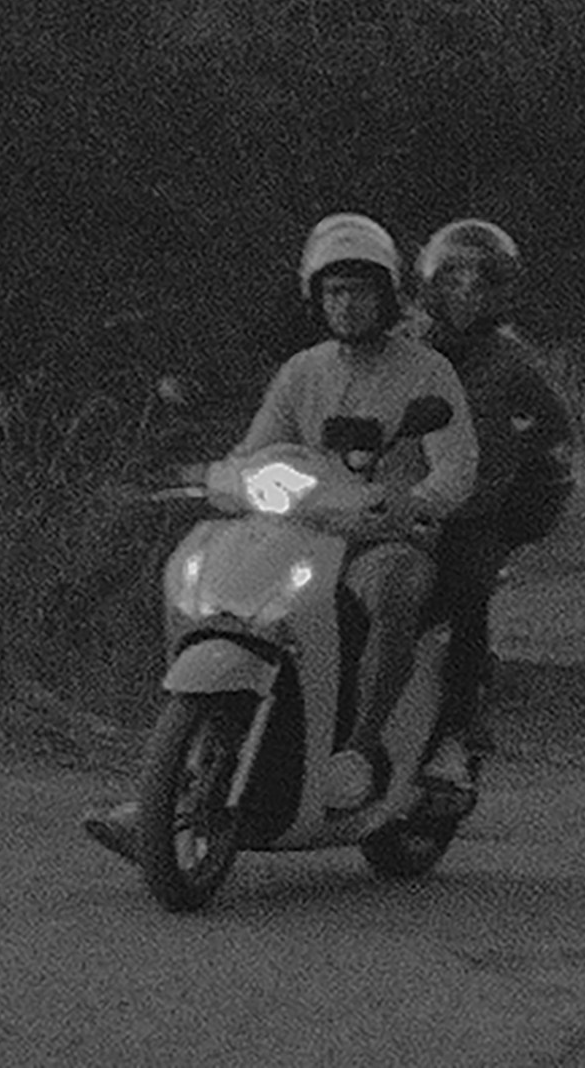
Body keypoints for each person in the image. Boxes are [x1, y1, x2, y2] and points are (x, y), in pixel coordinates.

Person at [84, 214, 478, 862]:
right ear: (315, 299)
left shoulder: (426, 372)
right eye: (332, 292)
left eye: (358, 290)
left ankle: (358, 750)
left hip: (385, 536)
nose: (345, 304)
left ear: (386, 295)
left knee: (393, 588)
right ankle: (172, 787)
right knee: (226, 599)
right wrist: (219, 476)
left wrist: (418, 501)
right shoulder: (303, 371)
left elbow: (458, 464)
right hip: (305, 532)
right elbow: (254, 450)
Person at [413, 215, 574, 796]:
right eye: (453, 281)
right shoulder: (411, 348)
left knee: (467, 598)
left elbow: (556, 421)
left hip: (473, 513)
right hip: (406, 503)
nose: (464, 295)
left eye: (479, 284)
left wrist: (500, 456)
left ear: (500, 291)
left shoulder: (512, 361)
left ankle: (456, 734)